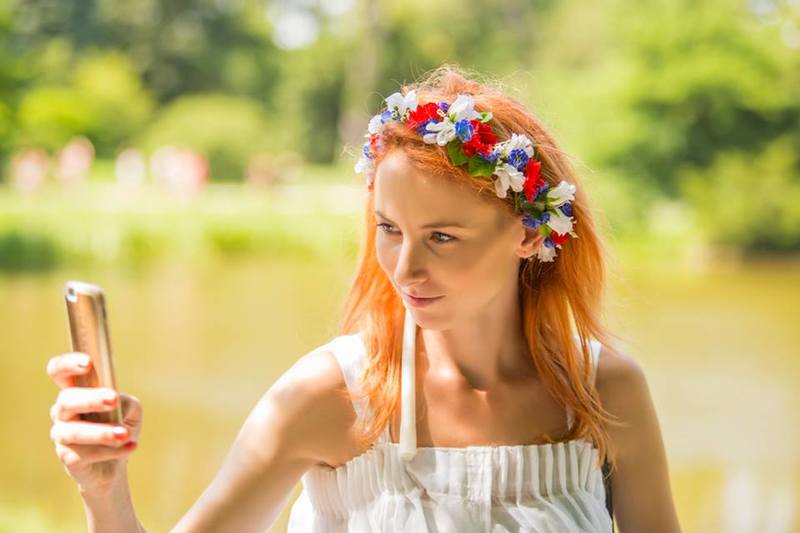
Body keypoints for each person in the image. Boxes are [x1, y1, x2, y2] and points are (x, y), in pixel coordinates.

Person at [46, 64, 682, 532]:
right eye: (389, 229)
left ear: (528, 234)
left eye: (442, 237)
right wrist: (104, 491)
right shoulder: (328, 396)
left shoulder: (604, 393)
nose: (406, 268)